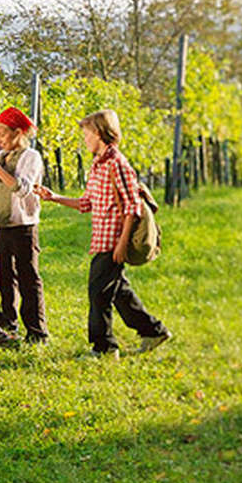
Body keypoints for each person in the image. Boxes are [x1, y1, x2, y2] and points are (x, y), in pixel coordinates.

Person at [36, 109, 170, 358]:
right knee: (117, 290)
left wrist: (121, 244)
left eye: (86, 134)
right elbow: (87, 203)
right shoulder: (98, 166)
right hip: (102, 239)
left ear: (98, 133)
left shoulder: (117, 164)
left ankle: (105, 347)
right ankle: (153, 331)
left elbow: (132, 207)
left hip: (112, 241)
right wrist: (53, 197)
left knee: (98, 293)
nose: (84, 139)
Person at [0, 107, 47, 344]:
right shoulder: (1, 157)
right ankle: (8, 323)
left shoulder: (30, 157)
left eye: (3, 134)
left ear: (18, 133)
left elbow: (21, 187)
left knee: (28, 277)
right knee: (6, 277)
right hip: (3, 223)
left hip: (23, 225)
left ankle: (37, 330)